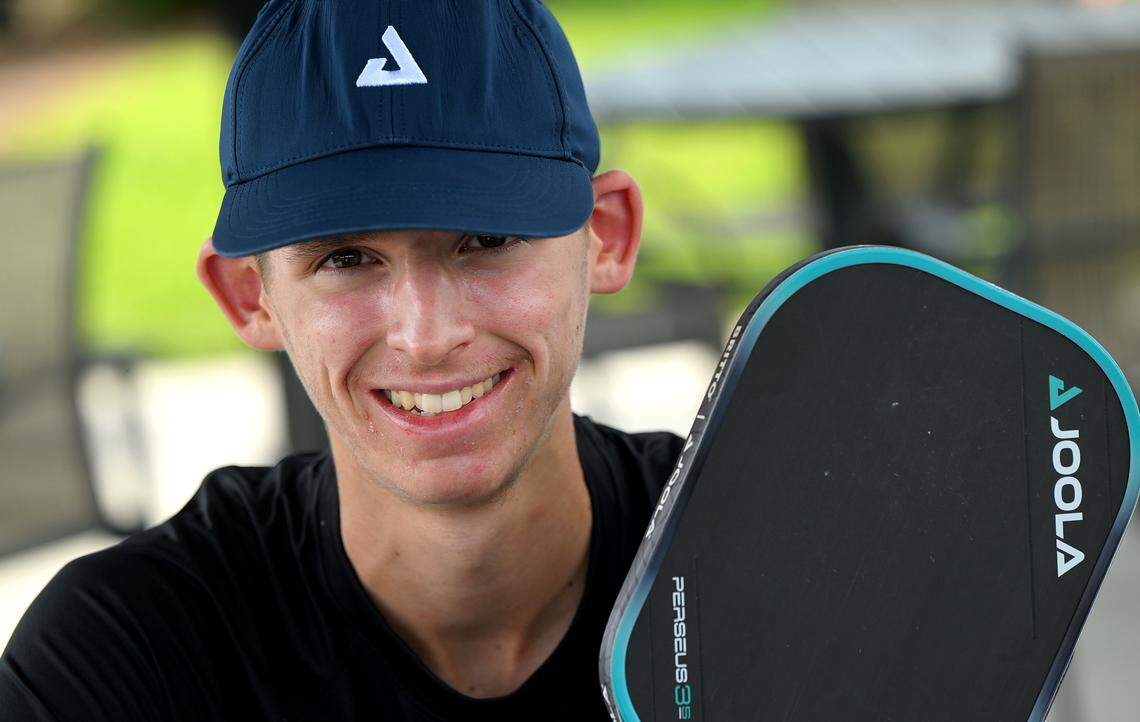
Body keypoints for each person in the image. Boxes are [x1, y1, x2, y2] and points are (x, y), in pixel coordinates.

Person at [0, 1, 684, 719]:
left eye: (486, 238)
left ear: (604, 237)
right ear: (249, 295)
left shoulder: (760, 555)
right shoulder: (125, 655)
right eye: (346, 258)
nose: (425, 335)